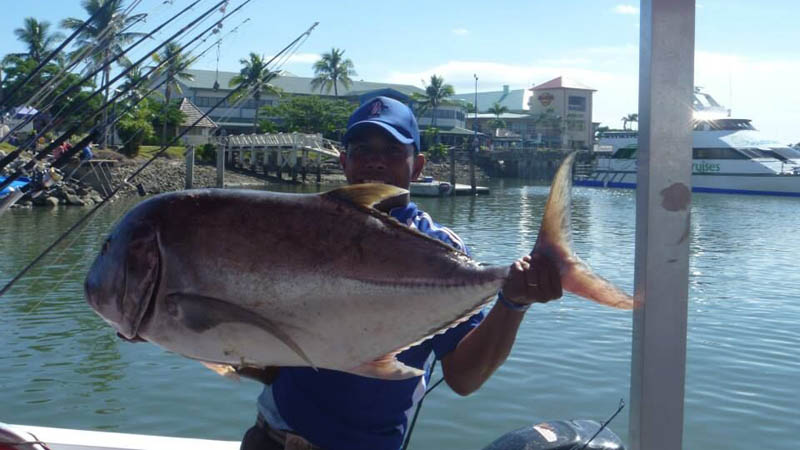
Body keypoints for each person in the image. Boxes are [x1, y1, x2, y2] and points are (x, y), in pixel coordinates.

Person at [240, 96, 562, 450]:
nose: (376, 160)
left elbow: (463, 378)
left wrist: (513, 303)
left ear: (418, 165)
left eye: (393, 150)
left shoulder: (440, 249)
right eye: (363, 149)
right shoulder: (299, 231)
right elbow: (263, 358)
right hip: (270, 438)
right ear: (344, 160)